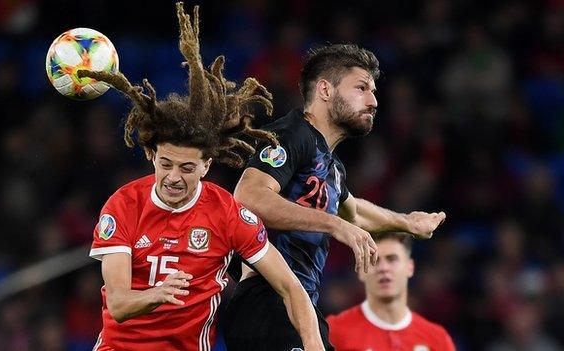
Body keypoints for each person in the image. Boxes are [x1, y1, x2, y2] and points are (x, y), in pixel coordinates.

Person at [85, 3, 324, 350]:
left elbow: (290, 287)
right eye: (165, 164)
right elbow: (119, 305)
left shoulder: (226, 213)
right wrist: (158, 294)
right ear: (152, 155)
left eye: (186, 168)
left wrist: (314, 344)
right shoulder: (123, 205)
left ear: (206, 166)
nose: (173, 178)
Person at [223, 44, 446, 350]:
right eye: (361, 88)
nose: (373, 101)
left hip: (301, 306)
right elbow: (249, 195)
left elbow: (353, 213)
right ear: (325, 90)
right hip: (267, 300)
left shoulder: (333, 168)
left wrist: (406, 222)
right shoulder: (293, 134)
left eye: (374, 91)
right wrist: (334, 225)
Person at [327, 233, 455, 350]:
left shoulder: (437, 339)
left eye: (392, 259)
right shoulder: (333, 331)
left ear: (410, 267)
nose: (383, 268)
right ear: (360, 270)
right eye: (374, 260)